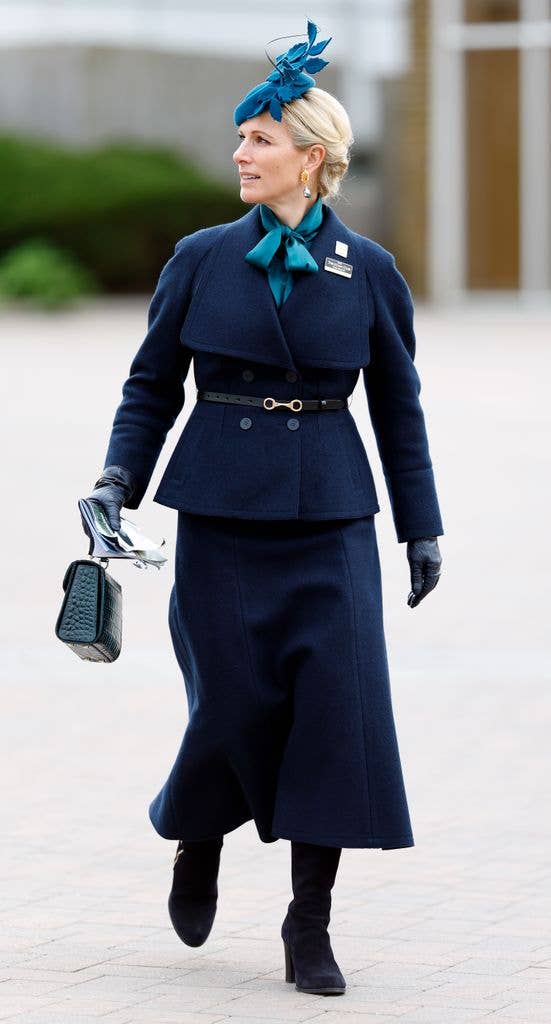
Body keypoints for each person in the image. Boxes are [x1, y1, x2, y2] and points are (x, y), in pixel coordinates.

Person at [83, 19, 443, 998]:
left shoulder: (366, 269)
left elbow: (397, 403)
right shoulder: (200, 256)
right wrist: (116, 479)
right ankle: (198, 831)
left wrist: (420, 524)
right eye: (240, 138)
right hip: (220, 516)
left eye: (259, 140)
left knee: (332, 713)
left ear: (310, 160)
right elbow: (151, 384)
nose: (239, 152)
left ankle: (307, 922)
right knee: (234, 706)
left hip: (330, 519)